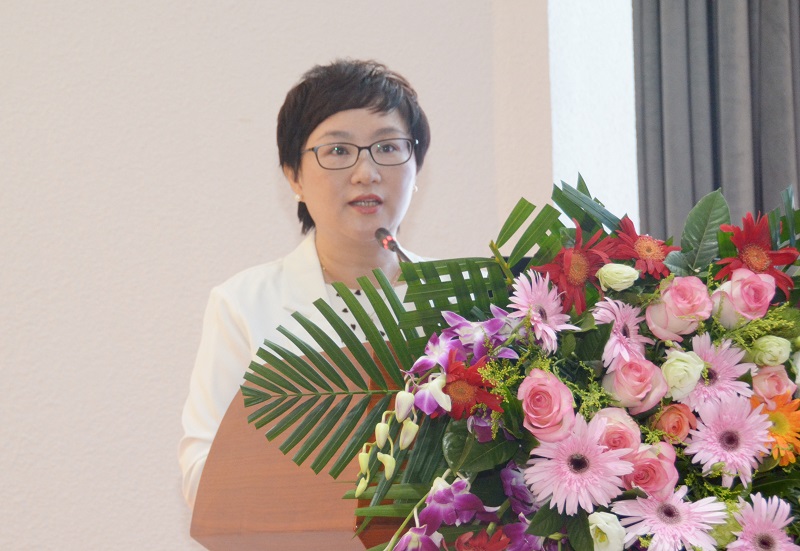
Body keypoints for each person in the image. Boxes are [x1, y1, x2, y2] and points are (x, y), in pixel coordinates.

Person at [178, 59, 431, 509]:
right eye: (338, 151)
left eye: (388, 147)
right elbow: (203, 475)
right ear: (294, 175)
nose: (366, 172)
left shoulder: (467, 305)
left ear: (416, 170)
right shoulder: (242, 305)